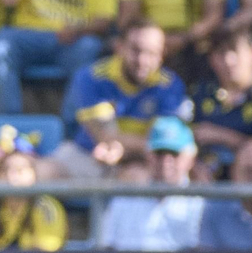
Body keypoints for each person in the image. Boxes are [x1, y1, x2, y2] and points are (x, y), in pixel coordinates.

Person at [52, 20, 190, 180]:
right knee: (44, 171)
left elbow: (162, 141)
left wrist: (129, 148)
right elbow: (104, 136)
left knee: (141, 178)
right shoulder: (91, 77)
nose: (142, 61)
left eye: (151, 53)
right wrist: (143, 144)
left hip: (140, 162)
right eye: (135, 50)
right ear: (119, 47)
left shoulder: (170, 86)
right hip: (88, 155)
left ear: (162, 55)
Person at [98, 115, 203, 251]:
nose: (166, 161)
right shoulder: (124, 200)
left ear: (190, 158)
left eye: (174, 153)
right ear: (148, 155)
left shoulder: (201, 206)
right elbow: (106, 250)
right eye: (160, 153)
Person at [191, 28, 252, 172]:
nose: (228, 60)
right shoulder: (199, 93)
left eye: (235, 51)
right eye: (220, 53)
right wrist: (193, 168)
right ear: (211, 59)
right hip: (204, 182)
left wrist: (222, 136)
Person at [0, 149, 67, 250]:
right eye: (5, 170)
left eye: (20, 170)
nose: (11, 176)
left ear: (33, 175)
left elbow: (48, 250)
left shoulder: (46, 207)